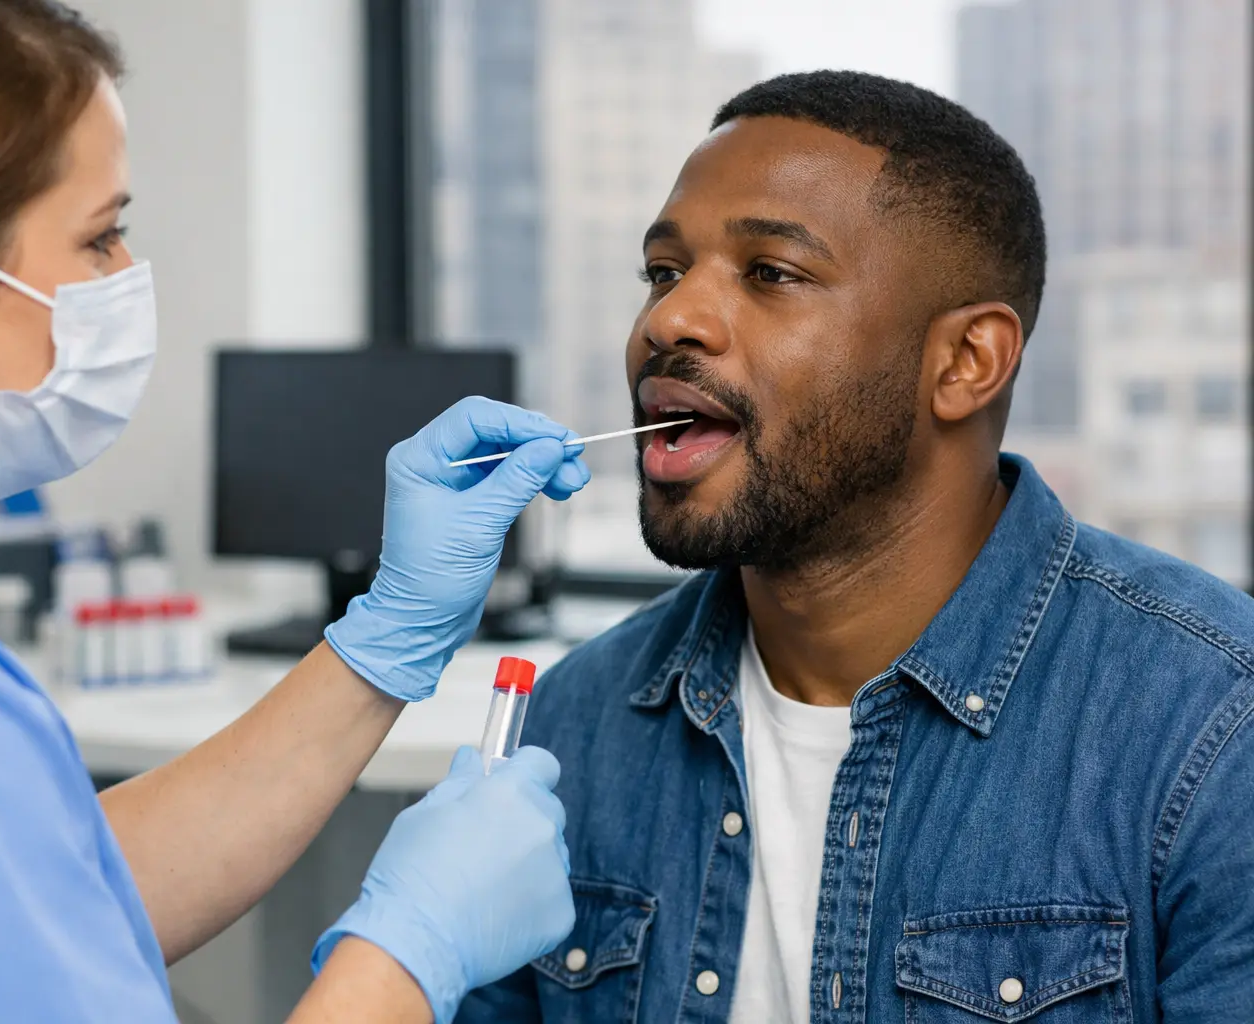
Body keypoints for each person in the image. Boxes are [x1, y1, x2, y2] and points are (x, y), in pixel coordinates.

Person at [0, 2, 585, 1021]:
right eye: (101, 236)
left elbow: (15, 906)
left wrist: (386, 641)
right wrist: (406, 951)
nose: (127, 281)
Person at [460, 70, 1254, 1023]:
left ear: (965, 362)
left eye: (771, 274)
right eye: (664, 272)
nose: (667, 321)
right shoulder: (572, 723)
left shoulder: (1214, 728)